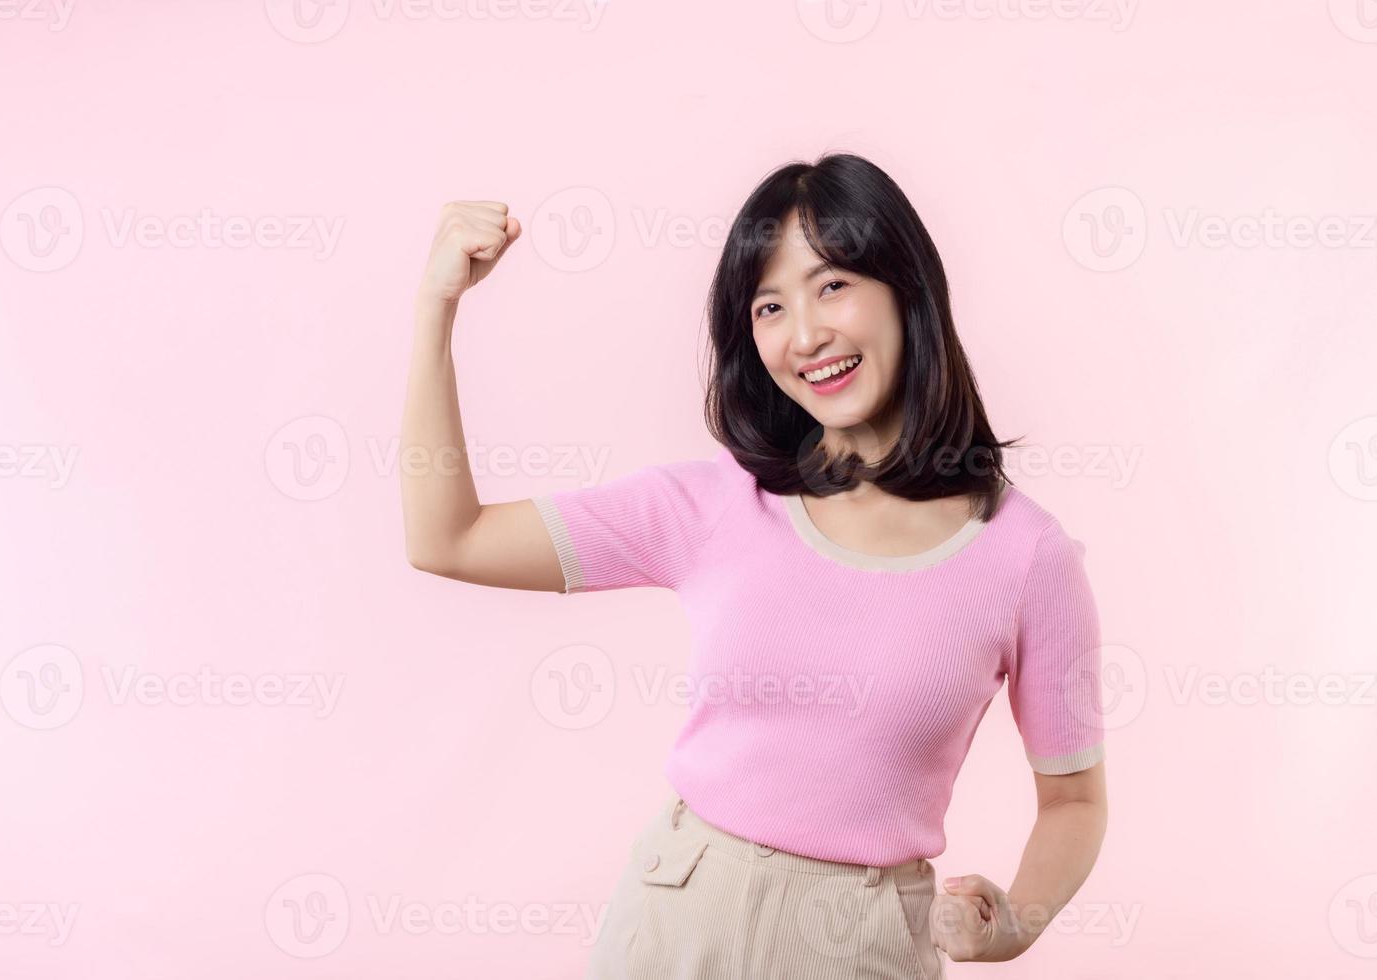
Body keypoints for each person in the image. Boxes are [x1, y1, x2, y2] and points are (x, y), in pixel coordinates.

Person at [401, 152, 1108, 980]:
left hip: (862, 947)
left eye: (832, 284)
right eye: (770, 305)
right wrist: (434, 308)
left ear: (907, 288)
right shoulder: (710, 507)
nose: (805, 334)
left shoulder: (1026, 557)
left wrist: (1016, 920)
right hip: (671, 923)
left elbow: (1073, 799)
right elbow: (448, 538)